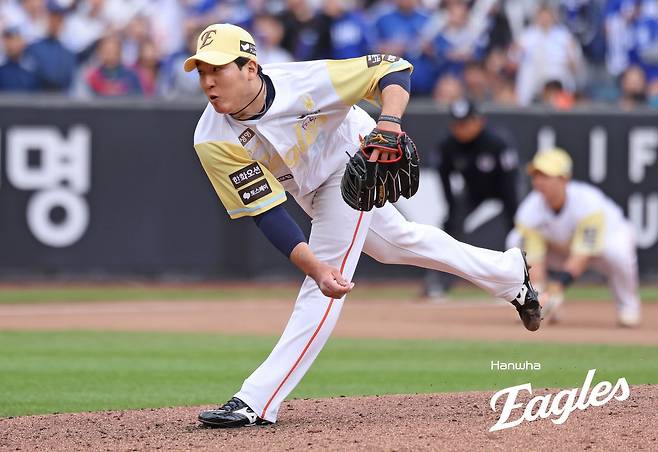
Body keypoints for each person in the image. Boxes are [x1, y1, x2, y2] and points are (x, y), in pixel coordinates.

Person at [184, 23, 541, 429]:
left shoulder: (307, 80)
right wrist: (312, 265)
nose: (208, 82)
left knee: (323, 287)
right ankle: (508, 272)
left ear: (250, 67)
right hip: (306, 186)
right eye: (202, 72)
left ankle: (257, 400)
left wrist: (389, 123)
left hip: (352, 159)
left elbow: (394, 68)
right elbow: (268, 213)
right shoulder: (211, 138)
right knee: (394, 243)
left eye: (218, 69)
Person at [507, 148, 641, 327]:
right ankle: (540, 306)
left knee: (619, 253)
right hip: (561, 248)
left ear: (564, 179)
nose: (539, 181)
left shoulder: (588, 203)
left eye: (545, 176)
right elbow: (534, 259)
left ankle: (627, 306)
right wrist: (538, 295)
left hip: (604, 243)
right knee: (515, 240)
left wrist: (558, 286)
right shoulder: (529, 210)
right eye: (535, 176)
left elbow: (582, 255)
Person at [425, 98, 520, 297]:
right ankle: (439, 282)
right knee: (450, 226)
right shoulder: (448, 146)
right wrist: (452, 210)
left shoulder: (496, 143)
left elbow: (510, 183)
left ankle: (521, 279)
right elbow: (445, 180)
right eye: (457, 123)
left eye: (466, 123)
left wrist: (514, 217)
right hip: (474, 192)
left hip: (504, 189)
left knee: (518, 230)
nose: (461, 128)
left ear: (479, 121)